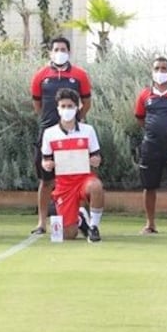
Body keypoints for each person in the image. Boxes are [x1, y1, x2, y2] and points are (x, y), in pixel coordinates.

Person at [30, 36, 93, 235]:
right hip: (49, 134)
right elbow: (37, 105)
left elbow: (87, 102)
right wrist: (52, 125)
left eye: (63, 48)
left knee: (80, 177)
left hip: (74, 136)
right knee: (46, 180)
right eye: (56, 48)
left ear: (69, 51)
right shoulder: (41, 75)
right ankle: (41, 222)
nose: (60, 51)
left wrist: (75, 121)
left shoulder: (79, 75)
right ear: (50, 52)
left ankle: (83, 218)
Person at [41, 88, 106, 242]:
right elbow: (45, 160)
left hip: (84, 179)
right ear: (57, 108)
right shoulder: (50, 133)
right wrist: (47, 165)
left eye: (70, 106)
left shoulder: (88, 130)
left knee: (96, 186)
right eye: (63, 106)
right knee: (68, 235)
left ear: (77, 107)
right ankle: (81, 218)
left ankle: (93, 227)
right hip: (64, 184)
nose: (66, 110)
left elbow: (96, 156)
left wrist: (96, 161)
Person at [134, 56, 167, 234]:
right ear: (152, 71)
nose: (160, 72)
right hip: (151, 146)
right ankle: (150, 224)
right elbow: (140, 118)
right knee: (149, 186)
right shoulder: (145, 95)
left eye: (164, 69)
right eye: (157, 68)